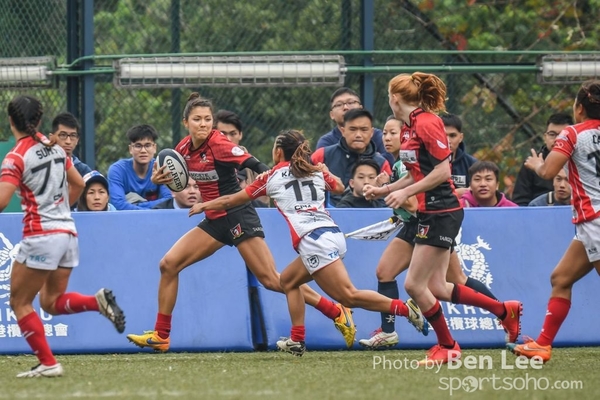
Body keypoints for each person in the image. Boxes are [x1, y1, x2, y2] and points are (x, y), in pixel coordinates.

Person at [126, 93, 356, 352]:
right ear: (185, 122)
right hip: (215, 220)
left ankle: (336, 311)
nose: (203, 124)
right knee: (168, 265)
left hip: (238, 215)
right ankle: (161, 335)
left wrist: (280, 178)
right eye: (197, 119)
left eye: (207, 119)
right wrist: (159, 180)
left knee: (272, 280)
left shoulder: (219, 144)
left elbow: (255, 164)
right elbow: (174, 178)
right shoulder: (182, 150)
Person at [188, 129, 424, 356]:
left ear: (278, 151)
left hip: (314, 241)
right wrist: (325, 170)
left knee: (348, 296)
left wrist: (204, 205)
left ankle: (405, 309)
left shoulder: (271, 177)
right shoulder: (315, 171)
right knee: (288, 281)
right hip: (331, 234)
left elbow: (231, 200)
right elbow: (339, 187)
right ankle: (297, 339)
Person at [363, 72, 522, 365]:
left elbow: (442, 171)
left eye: (388, 96)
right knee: (437, 287)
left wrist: (406, 192)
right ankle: (504, 311)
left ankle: (448, 345)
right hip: (430, 212)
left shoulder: (427, 122)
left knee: (414, 285)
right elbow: (416, 173)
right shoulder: (409, 128)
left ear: (394, 98)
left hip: (442, 210)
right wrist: (384, 189)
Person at [0, 95, 125, 378]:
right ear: (39, 120)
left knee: (19, 302)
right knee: (51, 302)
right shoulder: (55, 148)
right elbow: (79, 183)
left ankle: (48, 363)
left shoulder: (16, 156)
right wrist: (59, 210)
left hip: (41, 234)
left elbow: (2, 200)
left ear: (10, 121)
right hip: (68, 233)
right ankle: (96, 302)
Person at [358, 116, 500, 349]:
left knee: (447, 282)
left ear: (406, 136)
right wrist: (386, 190)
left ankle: (501, 313)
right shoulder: (398, 165)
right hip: (417, 225)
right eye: (384, 133)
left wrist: (388, 192)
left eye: (393, 133)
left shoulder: (406, 164)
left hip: (428, 224)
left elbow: (413, 205)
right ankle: (389, 332)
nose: (387, 138)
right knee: (386, 272)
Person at [508, 80, 600, 363]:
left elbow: (548, 172)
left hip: (595, 219)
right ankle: (542, 344)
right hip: (589, 224)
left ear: (579, 108)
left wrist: (537, 164)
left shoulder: (573, 132)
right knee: (561, 278)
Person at [311, 109, 392, 206]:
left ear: (371, 132)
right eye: (353, 129)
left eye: (364, 130)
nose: (358, 135)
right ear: (343, 131)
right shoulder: (322, 155)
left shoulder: (382, 163)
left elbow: (387, 200)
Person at [316, 87, 395, 166]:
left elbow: (390, 162)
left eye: (350, 103)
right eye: (339, 104)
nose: (345, 107)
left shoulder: (378, 136)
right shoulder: (326, 142)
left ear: (360, 108)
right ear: (332, 115)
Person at [512, 113, 573, 206]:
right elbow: (520, 202)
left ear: (573, 137)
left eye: (562, 135)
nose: (557, 139)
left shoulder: (583, 162)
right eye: (552, 134)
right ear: (545, 137)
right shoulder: (531, 164)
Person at [107, 124, 172, 210]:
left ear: (154, 148)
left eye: (147, 145)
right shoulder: (117, 170)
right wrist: (152, 208)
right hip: (126, 218)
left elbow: (169, 200)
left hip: (156, 217)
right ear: (130, 149)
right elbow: (118, 204)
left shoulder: (161, 168)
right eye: (138, 146)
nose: (143, 150)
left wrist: (137, 205)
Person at [441, 114, 477, 197]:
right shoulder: (426, 162)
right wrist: (456, 193)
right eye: (443, 135)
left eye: (452, 136)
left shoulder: (472, 164)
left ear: (460, 137)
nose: (448, 140)